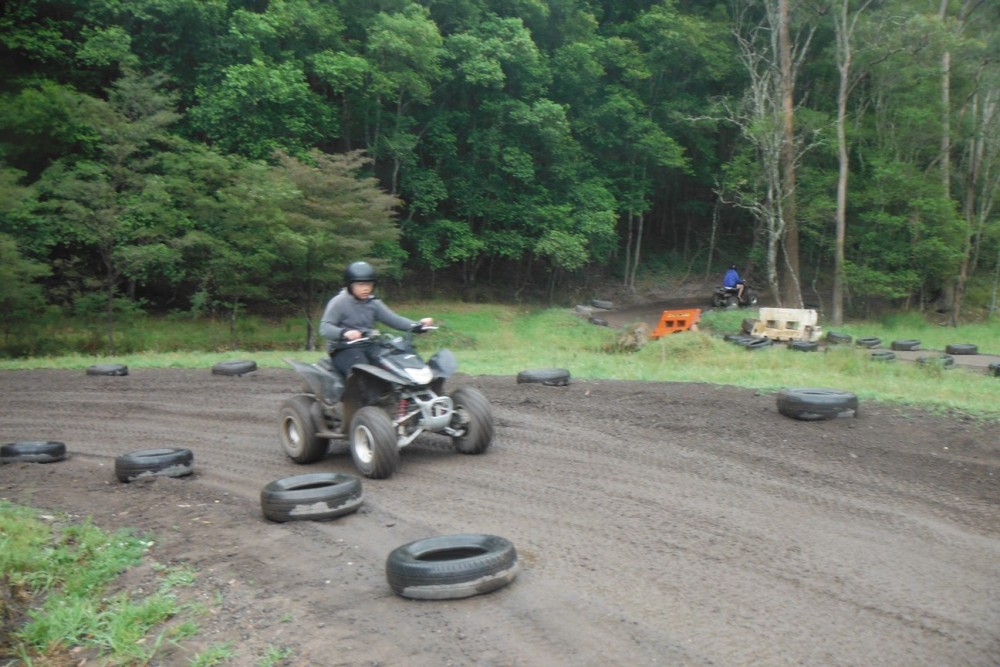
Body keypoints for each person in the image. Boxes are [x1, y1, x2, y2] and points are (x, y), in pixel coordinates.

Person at [320, 261, 433, 377]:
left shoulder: (373, 303)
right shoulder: (339, 302)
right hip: (343, 348)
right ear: (350, 285)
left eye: (369, 284)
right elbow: (325, 328)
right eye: (360, 285)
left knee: (394, 363)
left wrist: (418, 326)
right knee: (363, 372)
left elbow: (394, 320)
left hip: (369, 345)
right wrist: (344, 333)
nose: (365, 289)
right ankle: (358, 395)